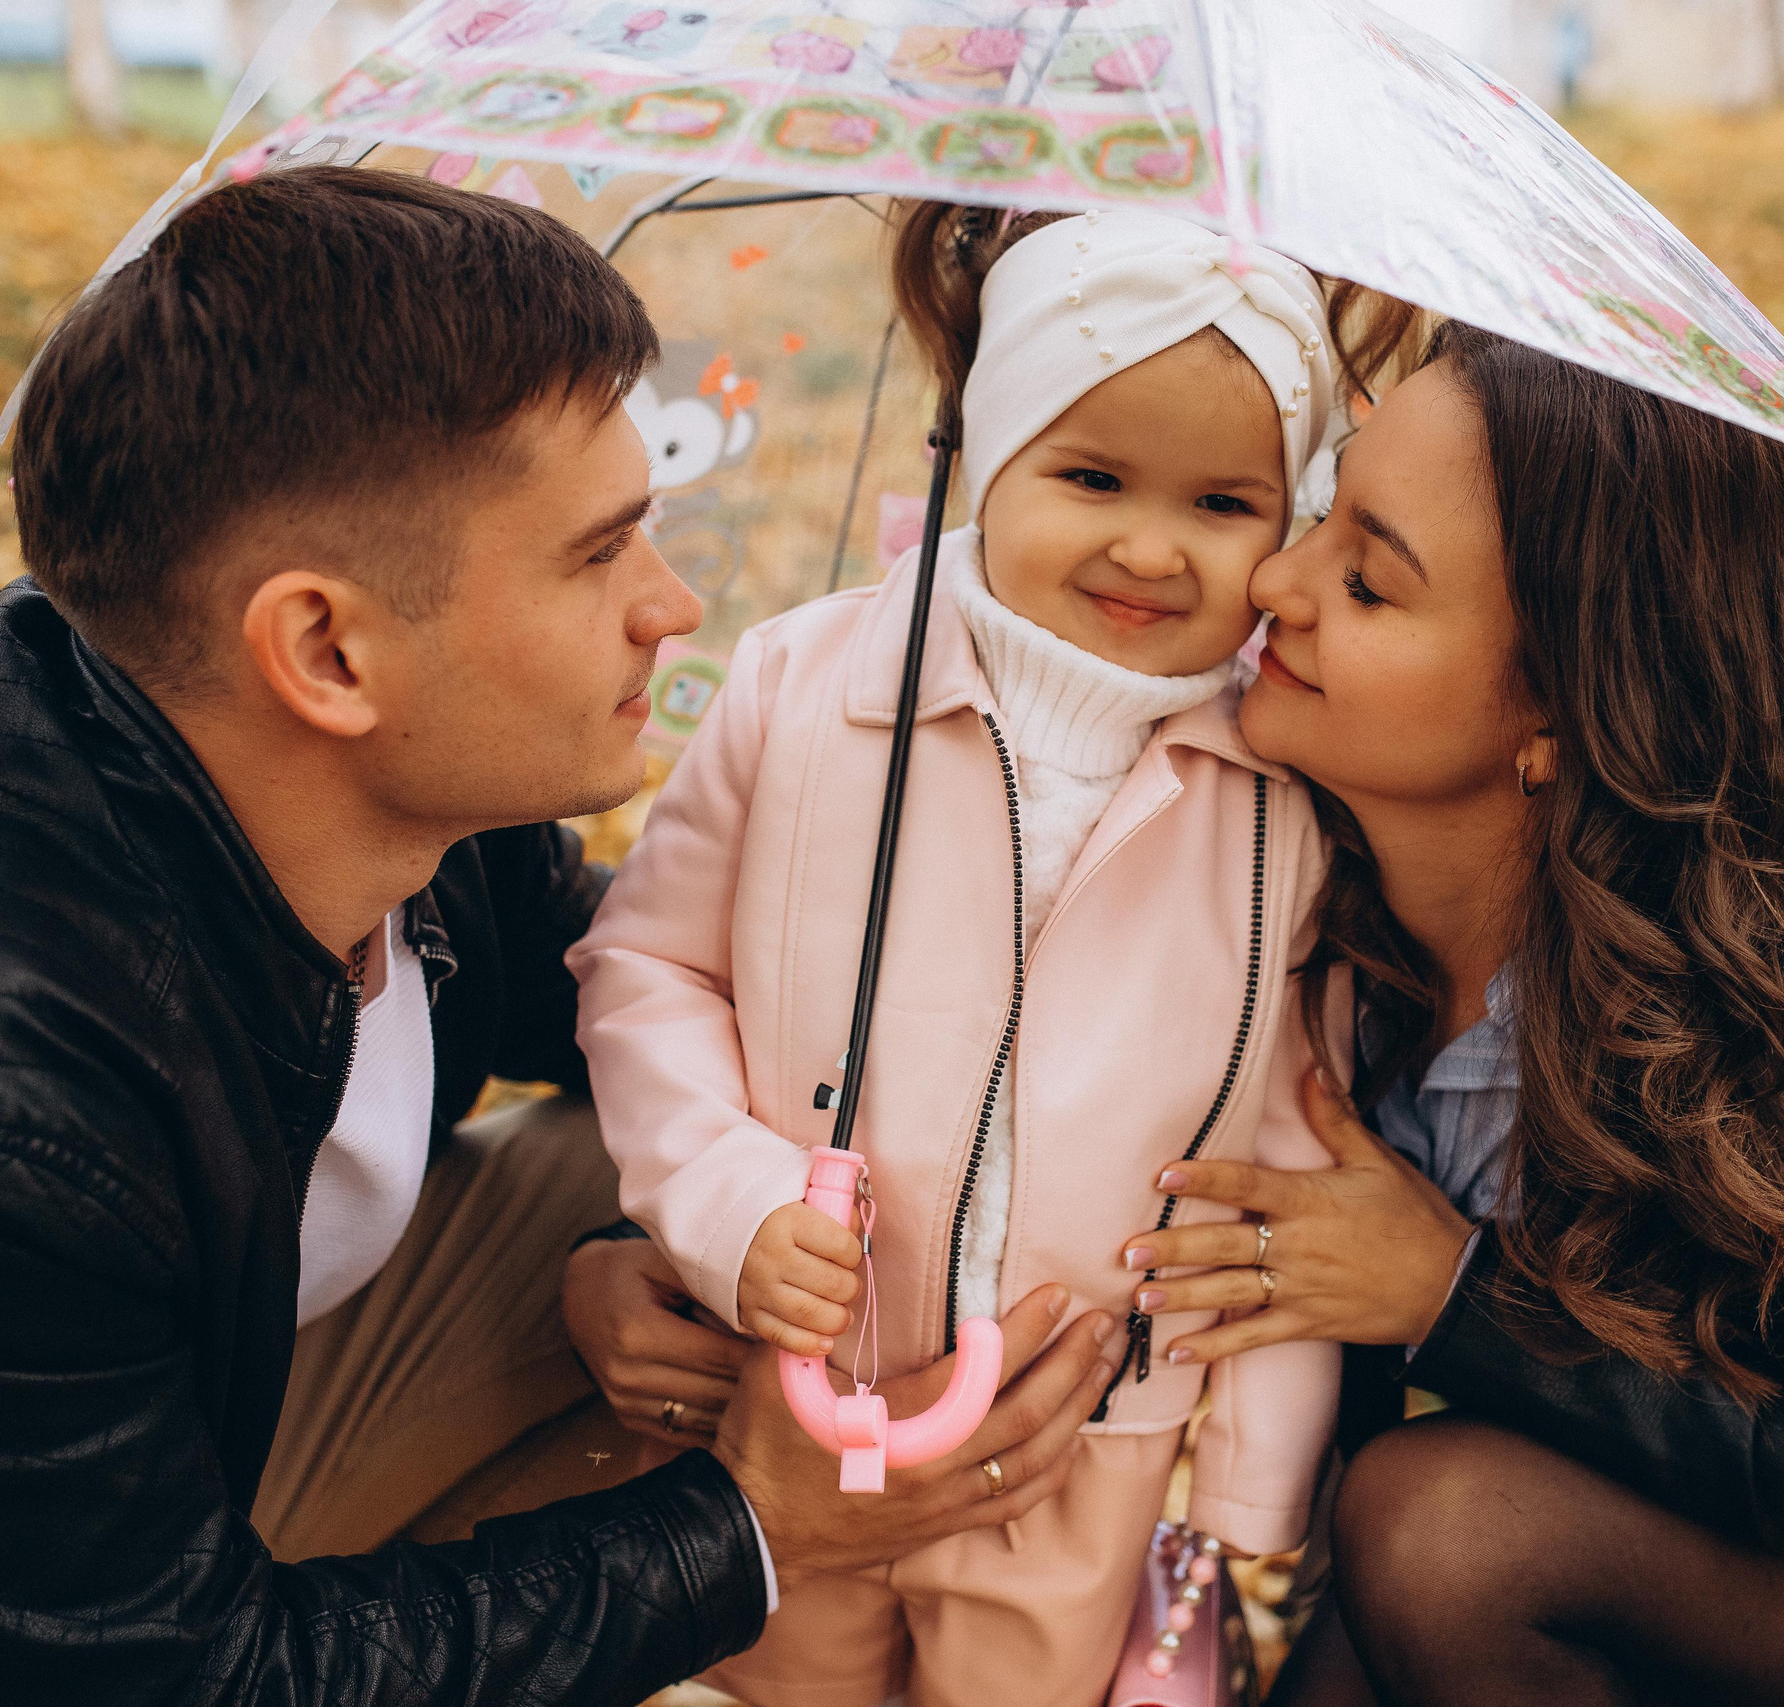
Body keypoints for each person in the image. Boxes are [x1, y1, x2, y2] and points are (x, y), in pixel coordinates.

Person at [0, 166, 1118, 1707]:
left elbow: (668, 1013)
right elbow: (162, 1682)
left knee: (765, 1139)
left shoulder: (394, 789)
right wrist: (748, 1528)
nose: (676, 604)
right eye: (599, 553)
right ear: (326, 648)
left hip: (233, 1407)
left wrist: (638, 1242)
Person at [1116, 320, 1784, 1705]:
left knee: (1444, 1533)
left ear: (1558, 709)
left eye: (1366, 580)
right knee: (1412, 1545)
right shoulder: (1301, 896)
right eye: (1321, 511)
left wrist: (1451, 1298)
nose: (1276, 582)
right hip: (1577, 1472)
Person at [566, 205, 1400, 1707]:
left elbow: (1290, 1144)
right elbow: (650, 973)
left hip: (1090, 1429)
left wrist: (1253, 1472)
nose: (1150, 546)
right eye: (1089, 478)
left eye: (1223, 503)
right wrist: (728, 1204)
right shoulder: (806, 689)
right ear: (987, 452)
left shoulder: (1284, 791)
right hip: (800, 1373)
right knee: (776, 1678)